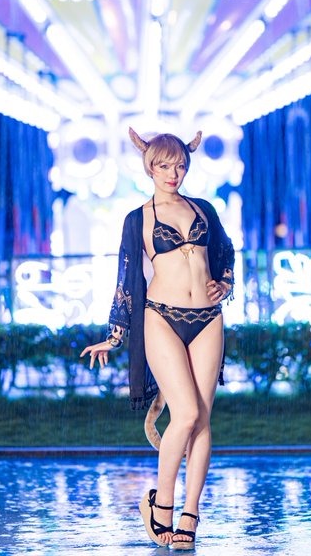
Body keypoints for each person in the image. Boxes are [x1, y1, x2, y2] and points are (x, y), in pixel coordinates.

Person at [80, 128, 234, 550]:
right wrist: (114, 336)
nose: (173, 173)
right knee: (185, 413)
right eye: (164, 165)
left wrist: (224, 283)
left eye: (180, 165)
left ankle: (190, 516)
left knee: (202, 420)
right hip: (162, 316)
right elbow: (127, 277)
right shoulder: (139, 219)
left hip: (208, 319)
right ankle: (160, 504)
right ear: (149, 167)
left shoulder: (204, 210)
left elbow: (225, 253)